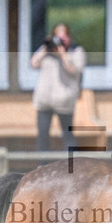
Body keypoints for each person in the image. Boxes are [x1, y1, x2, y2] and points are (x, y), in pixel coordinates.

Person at [31, 23, 85, 155]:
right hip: (44, 101)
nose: (60, 40)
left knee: (67, 134)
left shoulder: (76, 51)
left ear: (69, 37)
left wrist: (63, 54)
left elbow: (74, 70)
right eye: (57, 36)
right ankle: (42, 165)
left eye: (63, 36)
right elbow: (33, 63)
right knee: (42, 135)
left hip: (64, 101)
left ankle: (72, 165)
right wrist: (45, 48)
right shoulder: (47, 51)